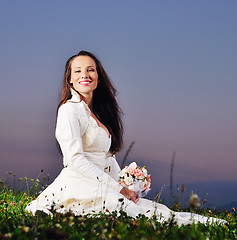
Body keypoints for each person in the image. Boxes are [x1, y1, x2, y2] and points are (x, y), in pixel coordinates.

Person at [25, 51, 226, 226]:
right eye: (77, 71)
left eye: (90, 70)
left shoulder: (98, 112)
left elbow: (107, 157)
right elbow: (75, 159)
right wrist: (118, 188)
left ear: (99, 77)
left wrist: (127, 182)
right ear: (69, 78)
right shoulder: (70, 110)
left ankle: (211, 226)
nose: (84, 75)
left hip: (105, 183)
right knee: (136, 215)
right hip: (82, 184)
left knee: (156, 210)